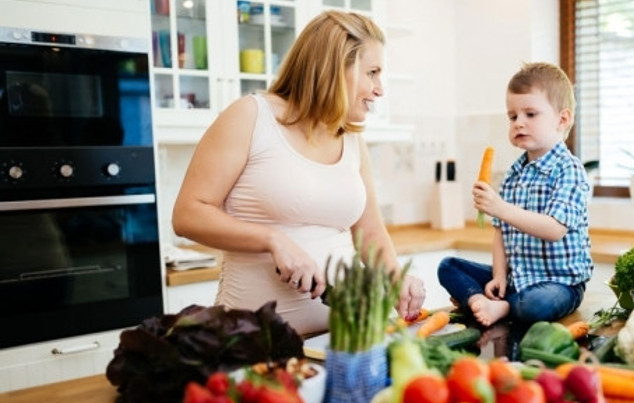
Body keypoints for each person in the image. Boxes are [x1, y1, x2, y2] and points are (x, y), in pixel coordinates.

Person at [172, 10, 425, 336]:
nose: (379, 89)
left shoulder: (350, 137)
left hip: (341, 341)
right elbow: (188, 214)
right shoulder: (250, 116)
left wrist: (395, 277)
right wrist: (273, 239)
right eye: (372, 72)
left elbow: (370, 232)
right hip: (253, 341)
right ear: (335, 68)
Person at [438, 62, 593, 328]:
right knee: (448, 266)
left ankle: (503, 306)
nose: (519, 123)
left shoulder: (569, 170)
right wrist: (498, 276)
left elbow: (554, 229)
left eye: (530, 114)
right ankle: (483, 300)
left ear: (562, 119)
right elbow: (501, 232)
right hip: (516, 278)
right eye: (513, 116)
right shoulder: (514, 173)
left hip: (559, 283)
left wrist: (499, 208)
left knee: (535, 304)